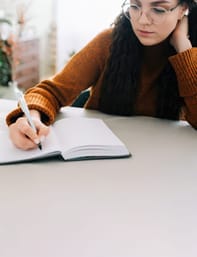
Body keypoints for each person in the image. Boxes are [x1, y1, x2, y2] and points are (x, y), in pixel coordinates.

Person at [6, 0, 197, 150]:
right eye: (135, 6)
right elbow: (52, 91)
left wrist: (183, 51)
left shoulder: (190, 54)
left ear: (182, 9)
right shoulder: (109, 43)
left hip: (163, 165)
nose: (142, 19)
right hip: (99, 161)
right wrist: (31, 118)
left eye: (159, 9)